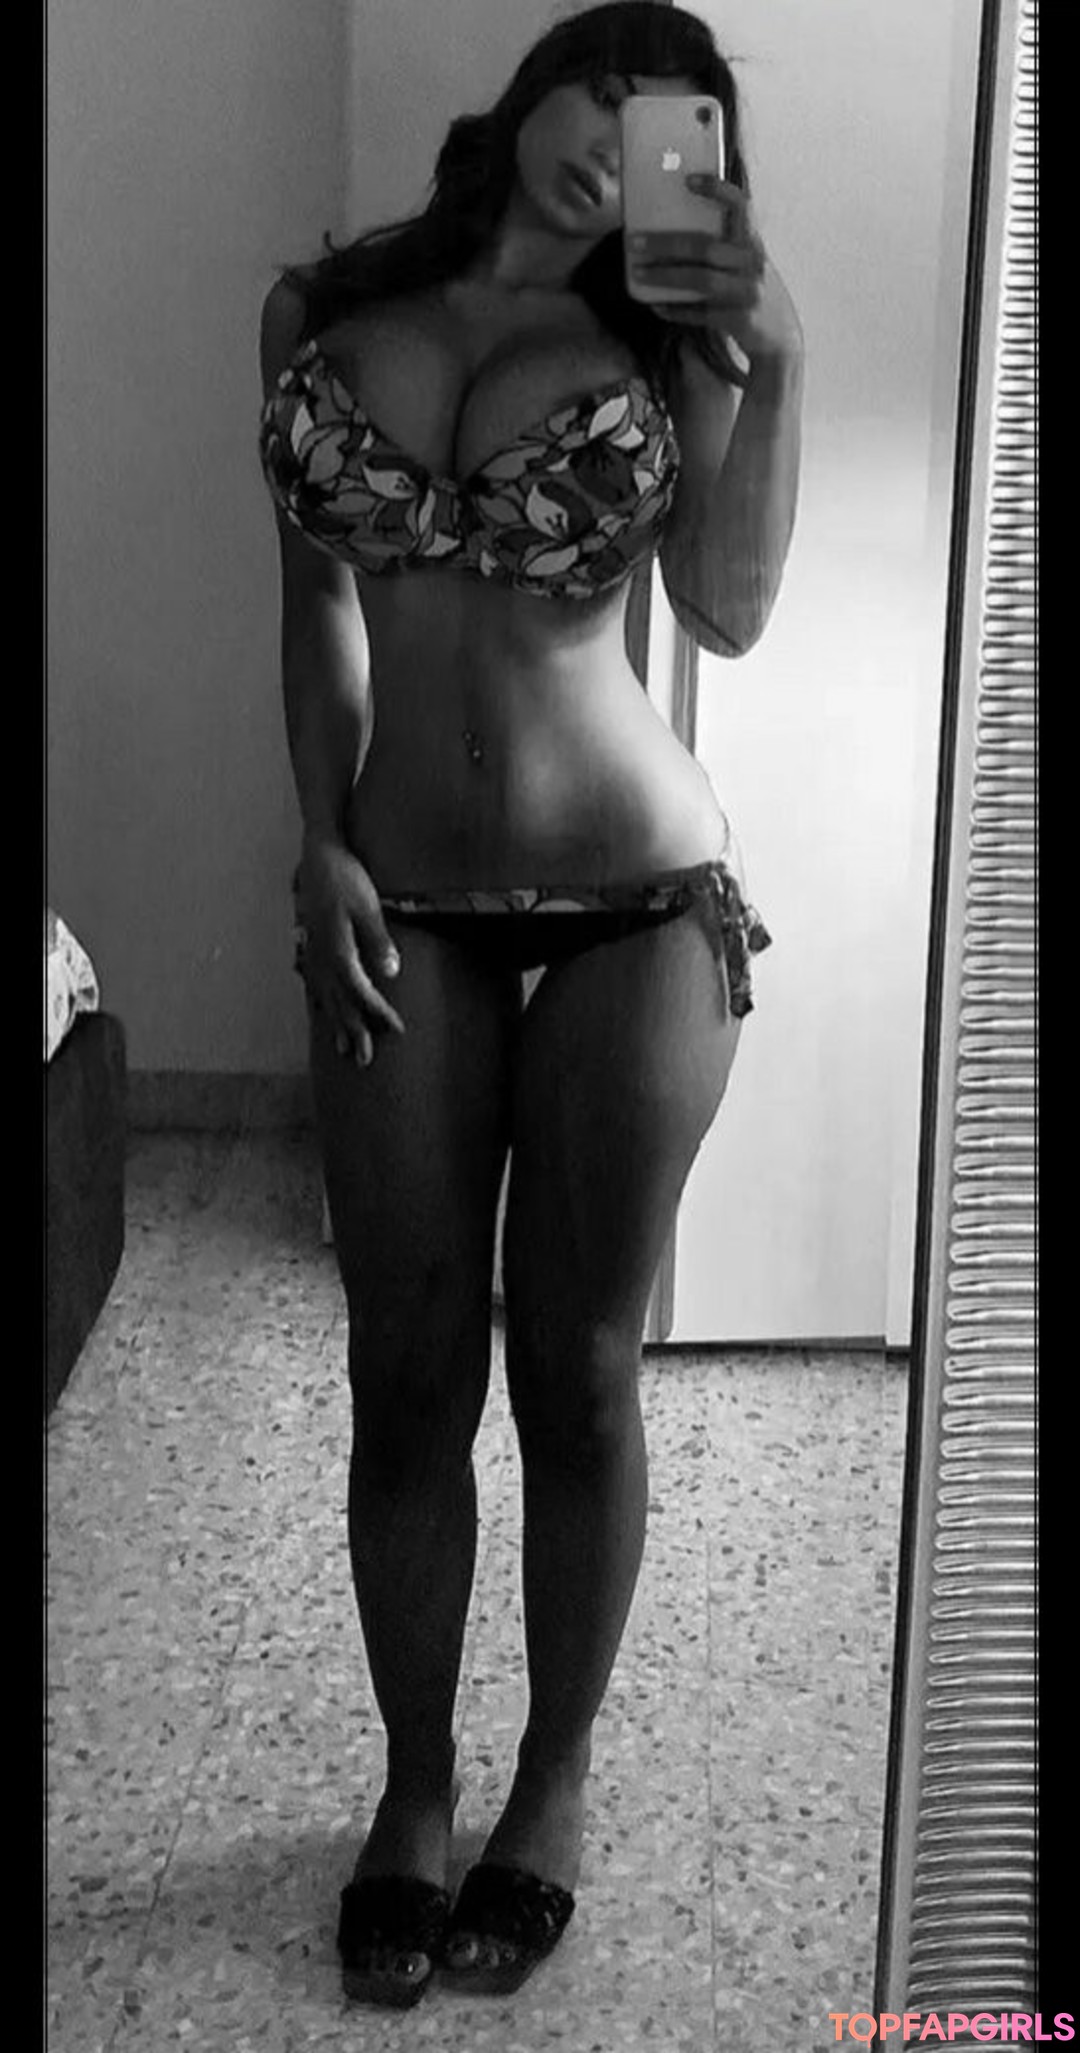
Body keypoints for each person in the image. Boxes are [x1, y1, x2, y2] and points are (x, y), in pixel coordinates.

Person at [258, 0, 802, 2009]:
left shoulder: (670, 348)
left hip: (638, 905)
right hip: (399, 895)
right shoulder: (325, 312)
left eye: (682, 128)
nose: (625, 136)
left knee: (575, 1367)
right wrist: (318, 839)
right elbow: (316, 601)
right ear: (543, 84)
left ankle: (550, 1783)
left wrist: (771, 357)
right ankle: (414, 1790)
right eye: (614, 86)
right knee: (407, 1369)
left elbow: (726, 605)